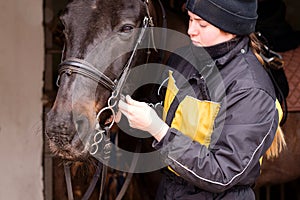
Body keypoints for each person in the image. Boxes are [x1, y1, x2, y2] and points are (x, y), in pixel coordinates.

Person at [118, 0, 286, 199]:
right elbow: (167, 114)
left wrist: (159, 131)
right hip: (170, 191)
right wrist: (128, 115)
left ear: (231, 28)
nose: (190, 30)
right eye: (190, 19)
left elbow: (223, 174)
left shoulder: (251, 89)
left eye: (202, 24)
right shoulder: (182, 58)